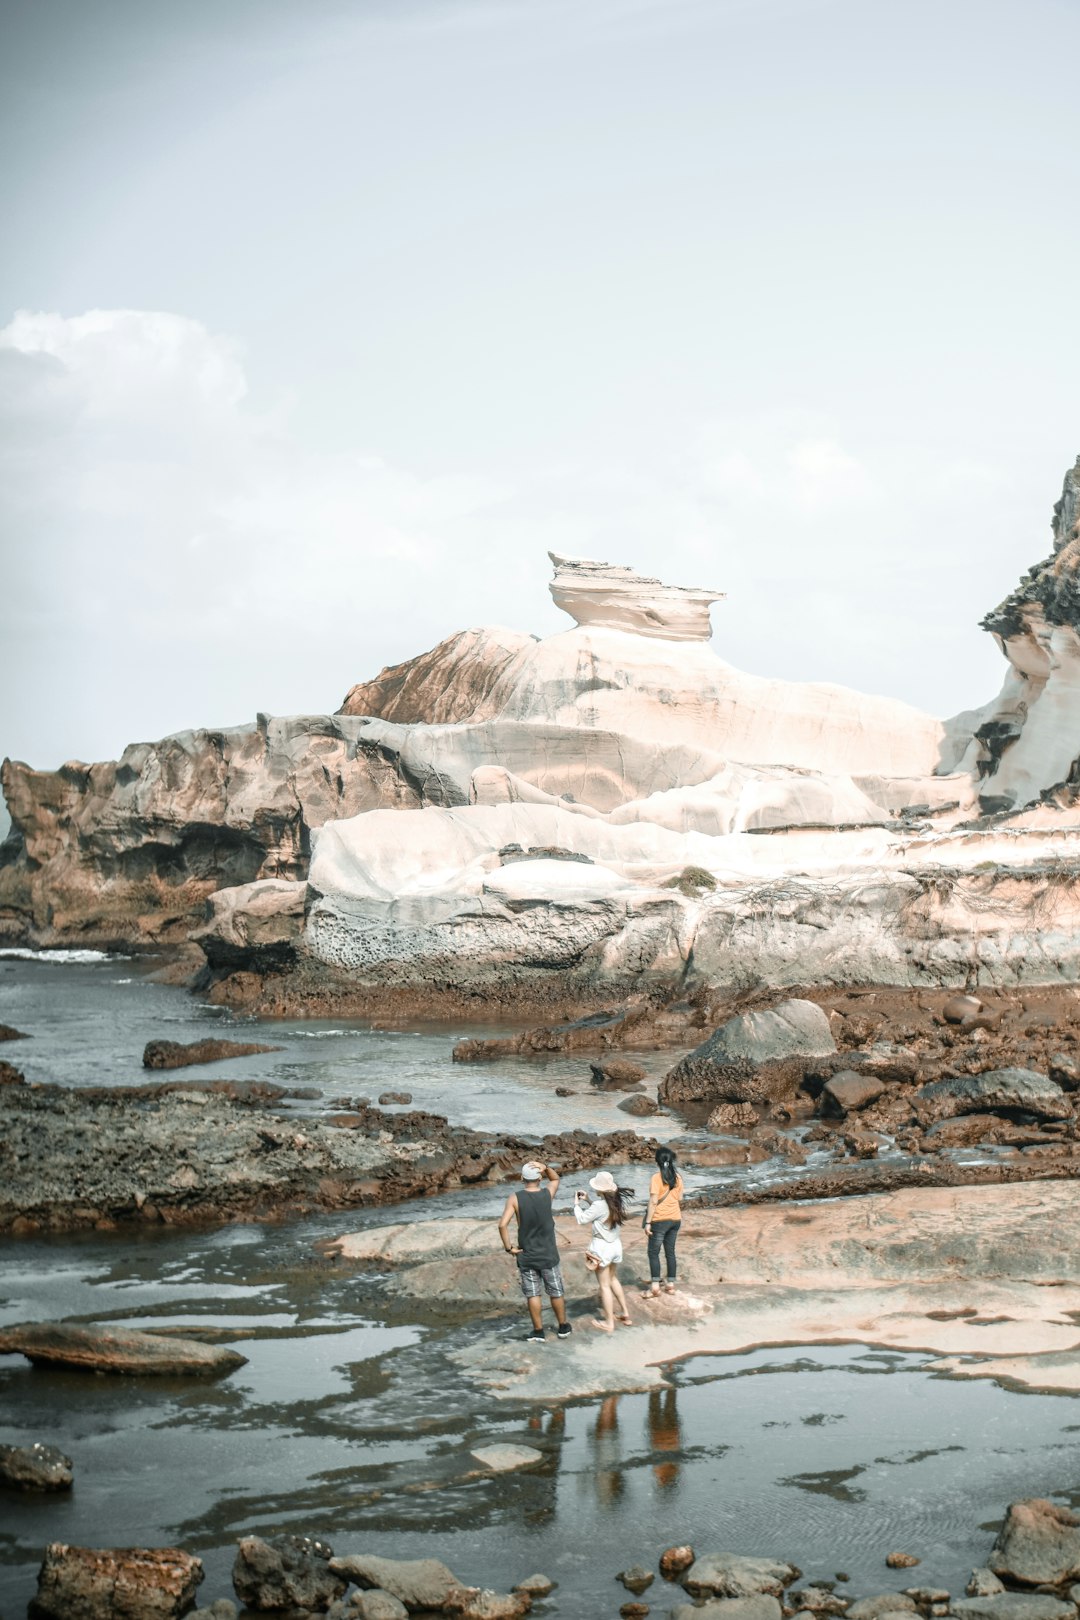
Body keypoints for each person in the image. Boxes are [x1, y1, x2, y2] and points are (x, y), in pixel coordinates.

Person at [498, 1160, 572, 1344]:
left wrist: (510, 1248)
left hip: (527, 1254)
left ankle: (538, 1331)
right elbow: (555, 1179)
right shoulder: (547, 1193)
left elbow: (502, 1225)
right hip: (548, 1254)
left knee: (533, 1294)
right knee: (555, 1292)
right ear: (539, 1178)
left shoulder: (515, 1198)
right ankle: (563, 1327)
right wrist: (545, 1167)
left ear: (522, 1178)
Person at [573, 1170, 632, 1333]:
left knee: (604, 1286)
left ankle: (609, 1323)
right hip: (615, 1246)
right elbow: (601, 1211)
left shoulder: (600, 1205)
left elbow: (581, 1219)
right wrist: (588, 1200)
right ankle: (625, 1313)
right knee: (613, 1279)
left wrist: (577, 1204)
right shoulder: (615, 1202)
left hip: (602, 1248)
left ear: (600, 1189)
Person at [642, 1145, 683, 1296]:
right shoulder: (678, 1178)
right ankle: (670, 1285)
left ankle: (655, 1287)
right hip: (675, 1219)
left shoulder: (656, 1178)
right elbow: (680, 1198)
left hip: (659, 1220)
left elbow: (653, 1202)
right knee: (670, 1252)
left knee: (653, 1252)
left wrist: (647, 1222)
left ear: (657, 1161)